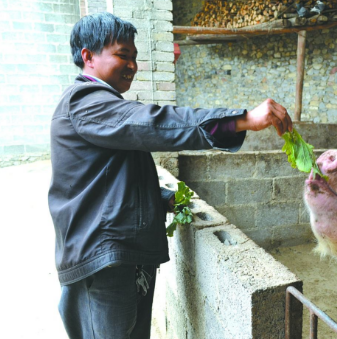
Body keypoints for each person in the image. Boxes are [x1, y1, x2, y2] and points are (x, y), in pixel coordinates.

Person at [48, 12, 292, 339]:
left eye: (135, 57)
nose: (132, 65)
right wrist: (241, 119)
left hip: (122, 256)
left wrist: (165, 199)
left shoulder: (103, 106)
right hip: (103, 260)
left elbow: (109, 180)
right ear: (88, 57)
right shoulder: (83, 101)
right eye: (123, 55)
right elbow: (154, 123)